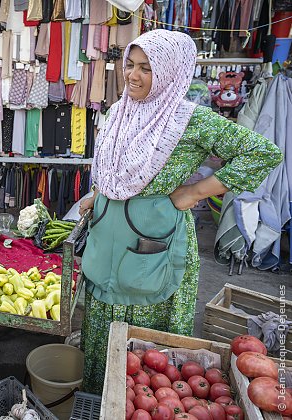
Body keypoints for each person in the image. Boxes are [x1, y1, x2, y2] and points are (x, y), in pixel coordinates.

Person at [78, 29, 283, 394]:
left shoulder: (190, 120)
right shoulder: (118, 111)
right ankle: (99, 400)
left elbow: (262, 152)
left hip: (154, 237)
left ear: (171, 72)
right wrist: (100, 194)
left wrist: (195, 192)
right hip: (108, 230)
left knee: (144, 360)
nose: (133, 75)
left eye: (147, 68)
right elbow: (114, 168)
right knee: (101, 322)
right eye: (131, 65)